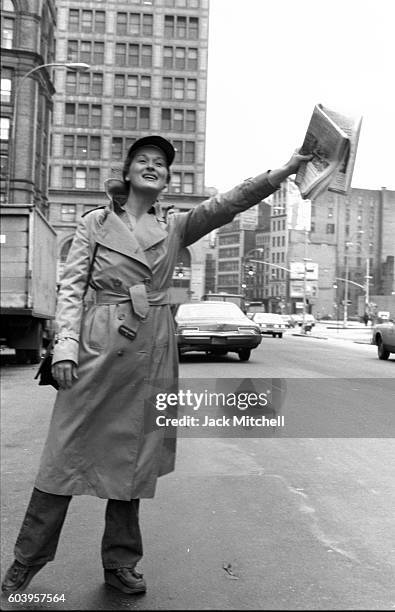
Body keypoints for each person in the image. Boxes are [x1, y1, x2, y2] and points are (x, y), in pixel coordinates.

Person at [1, 135, 311, 596]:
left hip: (152, 352)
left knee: (134, 459)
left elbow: (228, 203)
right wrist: (64, 344)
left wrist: (283, 172)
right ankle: (26, 561)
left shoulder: (177, 226)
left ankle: (120, 563)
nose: (153, 167)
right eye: (143, 161)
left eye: (161, 164)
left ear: (167, 180)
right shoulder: (95, 223)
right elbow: (71, 288)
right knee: (63, 457)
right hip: (97, 347)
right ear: (126, 174)